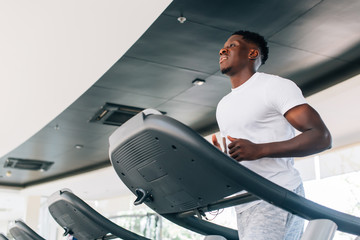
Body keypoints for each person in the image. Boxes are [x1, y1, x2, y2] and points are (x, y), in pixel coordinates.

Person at [212, 30, 332, 240]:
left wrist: (260, 150)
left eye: (232, 45)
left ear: (252, 53)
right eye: (224, 47)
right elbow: (240, 154)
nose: (223, 50)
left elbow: (321, 137)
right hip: (243, 201)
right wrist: (220, 158)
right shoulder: (223, 105)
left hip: (277, 192)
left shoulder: (274, 86)